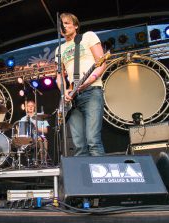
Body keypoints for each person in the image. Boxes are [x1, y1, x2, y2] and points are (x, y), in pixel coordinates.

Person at [55, 13, 106, 156]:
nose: (63, 26)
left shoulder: (88, 36)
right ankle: (83, 178)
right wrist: (63, 91)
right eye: (61, 24)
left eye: (66, 23)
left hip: (91, 90)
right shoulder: (59, 49)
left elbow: (102, 63)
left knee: (93, 141)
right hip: (72, 96)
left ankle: (99, 177)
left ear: (76, 25)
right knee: (78, 145)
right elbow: (59, 76)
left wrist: (91, 79)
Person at [20, 100, 49, 164]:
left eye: (32, 106)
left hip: (37, 139)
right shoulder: (23, 119)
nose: (30, 107)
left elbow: (46, 130)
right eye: (28, 106)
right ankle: (21, 163)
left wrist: (37, 128)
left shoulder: (40, 116)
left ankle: (43, 162)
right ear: (26, 107)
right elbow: (21, 133)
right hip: (26, 140)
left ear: (35, 107)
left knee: (43, 139)